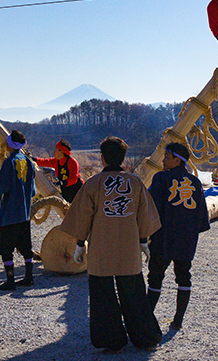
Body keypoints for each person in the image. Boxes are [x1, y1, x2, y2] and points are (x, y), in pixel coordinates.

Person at [60, 136, 162, 352]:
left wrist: (80, 245)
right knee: (134, 294)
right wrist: (143, 242)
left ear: (103, 157)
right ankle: (146, 337)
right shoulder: (135, 183)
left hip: (100, 247)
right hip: (129, 247)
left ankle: (111, 340)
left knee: (102, 296)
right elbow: (145, 217)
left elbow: (81, 218)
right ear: (123, 158)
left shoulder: (93, 184)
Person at [147, 142, 210, 331]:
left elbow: (152, 209)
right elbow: (202, 219)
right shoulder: (195, 182)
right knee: (183, 277)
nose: (164, 160)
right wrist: (189, 231)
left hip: (163, 238)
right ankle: (178, 320)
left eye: (167, 157)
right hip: (186, 239)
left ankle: (147, 318)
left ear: (177, 159)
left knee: (155, 277)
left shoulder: (161, 179)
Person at [0, 130, 36, 291]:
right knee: (26, 247)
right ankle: (28, 277)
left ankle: (10, 281)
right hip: (24, 212)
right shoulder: (28, 161)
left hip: (10, 212)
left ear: (9, 144)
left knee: (6, 248)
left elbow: (2, 186)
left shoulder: (9, 162)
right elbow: (33, 191)